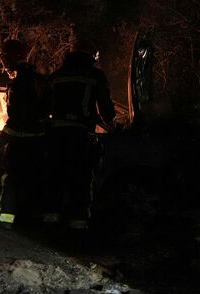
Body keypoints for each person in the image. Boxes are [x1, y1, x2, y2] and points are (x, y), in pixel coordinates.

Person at [45, 38, 116, 231]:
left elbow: (44, 104)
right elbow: (106, 110)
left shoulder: (57, 75)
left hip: (55, 135)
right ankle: (78, 223)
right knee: (81, 177)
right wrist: (110, 120)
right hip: (79, 135)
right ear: (93, 56)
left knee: (55, 176)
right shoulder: (95, 75)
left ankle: (51, 221)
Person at [0, 39, 50, 228]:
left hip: (20, 145)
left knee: (11, 182)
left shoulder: (19, 83)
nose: (2, 61)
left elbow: (17, 120)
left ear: (11, 57)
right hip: (39, 145)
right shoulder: (38, 79)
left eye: (3, 57)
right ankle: (30, 224)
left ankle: (5, 223)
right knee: (33, 182)